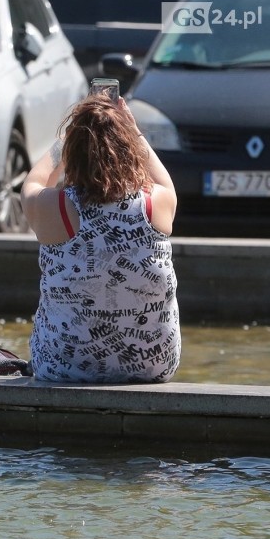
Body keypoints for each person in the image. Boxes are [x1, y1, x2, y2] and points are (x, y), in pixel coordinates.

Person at [21, 94, 180, 383]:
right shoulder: (155, 203)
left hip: (62, 367)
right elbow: (164, 181)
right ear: (128, 148)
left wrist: (66, 141)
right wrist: (135, 132)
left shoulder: (53, 207)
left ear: (73, 152)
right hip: (153, 368)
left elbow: (32, 183)